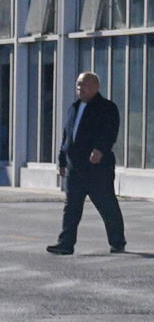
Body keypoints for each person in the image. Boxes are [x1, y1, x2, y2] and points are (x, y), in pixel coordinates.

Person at [47, 71, 125, 255]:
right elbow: (68, 136)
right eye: (79, 85)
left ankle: (117, 241)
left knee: (107, 205)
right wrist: (62, 160)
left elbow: (110, 132)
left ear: (97, 87)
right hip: (75, 167)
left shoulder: (107, 108)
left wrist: (100, 150)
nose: (81, 88)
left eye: (85, 85)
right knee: (71, 207)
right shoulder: (73, 108)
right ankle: (66, 244)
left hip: (97, 168)